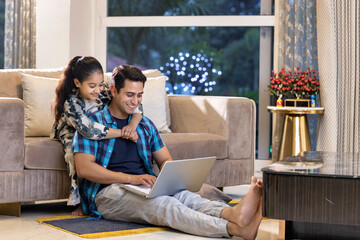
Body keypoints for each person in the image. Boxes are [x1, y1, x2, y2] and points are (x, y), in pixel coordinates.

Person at [72, 65, 263, 239]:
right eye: (130, 95)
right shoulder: (92, 123)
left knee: (187, 197)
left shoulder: (145, 124)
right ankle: (233, 229)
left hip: (143, 186)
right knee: (166, 205)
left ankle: (234, 214)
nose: (135, 101)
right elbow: (84, 169)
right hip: (108, 194)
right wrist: (131, 179)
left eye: (139, 95)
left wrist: (170, 180)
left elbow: (165, 160)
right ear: (113, 91)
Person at [51, 56, 142, 215]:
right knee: (76, 153)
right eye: (92, 86)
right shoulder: (71, 102)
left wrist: (131, 126)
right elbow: (88, 130)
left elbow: (137, 106)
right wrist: (122, 133)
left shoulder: (104, 90)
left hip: (100, 125)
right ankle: (79, 202)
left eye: (100, 84)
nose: (98, 90)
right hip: (74, 130)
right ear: (77, 83)